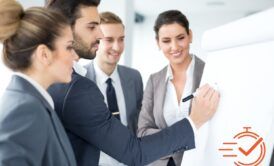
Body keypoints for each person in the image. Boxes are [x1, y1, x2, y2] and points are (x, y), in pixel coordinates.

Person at [46, 0, 220, 165]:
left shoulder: (54, 78)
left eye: (121, 38)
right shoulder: (76, 87)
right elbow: (135, 149)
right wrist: (194, 120)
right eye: (92, 27)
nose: (99, 35)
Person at [0, 0, 78, 165]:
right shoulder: (25, 110)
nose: (75, 56)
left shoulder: (34, 103)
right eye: (69, 47)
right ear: (44, 54)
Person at [137, 10, 206, 166]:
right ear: (158, 43)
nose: (174, 47)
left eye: (180, 38)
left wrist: (166, 140)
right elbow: (143, 132)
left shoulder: (210, 73)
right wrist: (185, 136)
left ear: (190, 36)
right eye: (166, 41)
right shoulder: (154, 81)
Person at [84, 11, 143, 166]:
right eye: (109, 40)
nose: (117, 47)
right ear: (96, 41)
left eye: (121, 39)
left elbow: (138, 124)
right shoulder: (80, 79)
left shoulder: (134, 77)